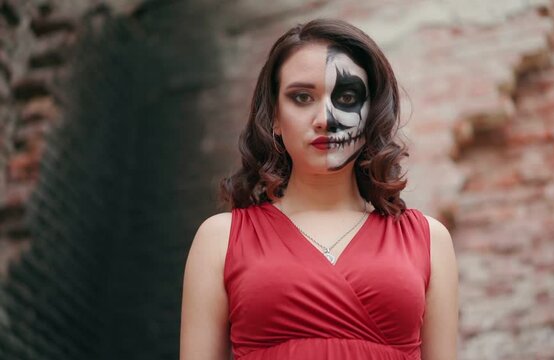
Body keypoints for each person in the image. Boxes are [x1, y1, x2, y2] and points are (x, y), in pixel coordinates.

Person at [180, 18, 458, 360]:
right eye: (302, 97)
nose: (326, 118)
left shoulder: (429, 240)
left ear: (371, 114)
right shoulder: (219, 239)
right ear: (275, 119)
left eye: (346, 96)